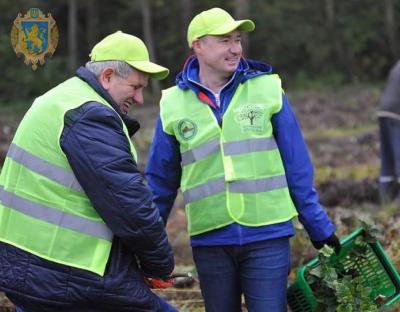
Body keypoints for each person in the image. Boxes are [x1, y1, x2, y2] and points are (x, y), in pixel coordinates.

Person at [145, 7, 341, 312]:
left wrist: (318, 226)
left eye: (237, 40)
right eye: (225, 40)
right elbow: (160, 182)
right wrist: (147, 246)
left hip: (268, 234)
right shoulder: (172, 103)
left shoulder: (267, 88)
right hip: (210, 239)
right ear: (198, 45)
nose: (236, 48)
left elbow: (296, 164)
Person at [0, 31, 178, 312]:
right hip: (68, 272)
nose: (141, 99)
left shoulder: (62, 98)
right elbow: (129, 205)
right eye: (135, 87)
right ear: (107, 76)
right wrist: (160, 265)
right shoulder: (90, 115)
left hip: (26, 266)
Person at [377, 60, 400, 204]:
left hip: (383, 111)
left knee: (387, 160)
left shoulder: (397, 65)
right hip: (397, 113)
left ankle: (385, 201)